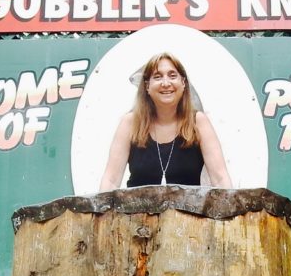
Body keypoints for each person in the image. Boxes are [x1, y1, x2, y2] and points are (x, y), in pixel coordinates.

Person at [99, 51, 232, 191]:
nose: (165, 83)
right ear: (147, 86)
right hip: (136, 213)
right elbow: (111, 181)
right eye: (157, 77)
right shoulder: (130, 123)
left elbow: (220, 180)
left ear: (183, 83)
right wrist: (102, 212)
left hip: (188, 212)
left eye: (172, 75)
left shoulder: (198, 122)